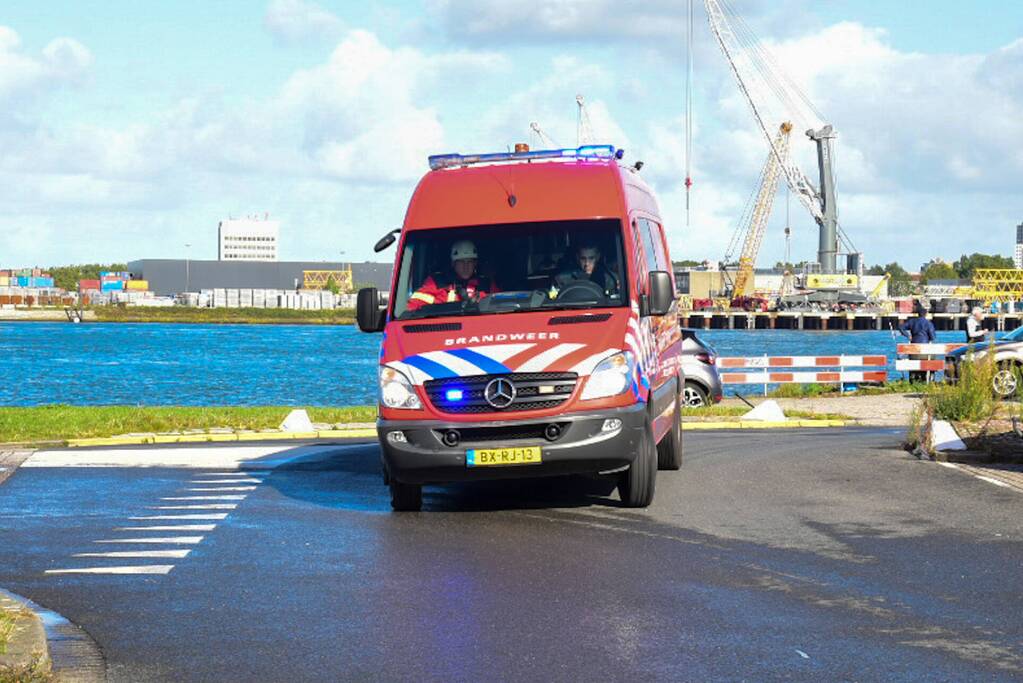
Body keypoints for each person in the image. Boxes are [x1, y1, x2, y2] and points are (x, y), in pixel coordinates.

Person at [407, 240, 496, 311]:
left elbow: (500, 305)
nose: (466, 266)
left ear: (475, 264)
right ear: (453, 264)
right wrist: (443, 307)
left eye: (470, 262)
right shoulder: (437, 283)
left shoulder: (486, 285)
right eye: (461, 262)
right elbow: (413, 306)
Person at [553, 244, 619, 296]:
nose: (587, 263)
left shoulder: (611, 279)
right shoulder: (562, 279)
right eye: (583, 258)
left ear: (598, 257)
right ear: (577, 258)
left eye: (591, 258)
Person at [899, 303, 937, 382]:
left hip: (914, 351)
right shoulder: (928, 324)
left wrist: (908, 335)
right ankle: (927, 380)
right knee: (932, 359)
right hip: (925, 352)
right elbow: (933, 337)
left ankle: (913, 380)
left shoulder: (912, 322)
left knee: (913, 365)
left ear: (918, 314)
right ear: (926, 314)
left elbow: (901, 327)